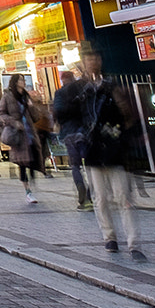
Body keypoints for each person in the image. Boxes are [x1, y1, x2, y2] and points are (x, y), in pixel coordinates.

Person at [79, 47, 145, 260]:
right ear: (83, 61)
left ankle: (134, 243)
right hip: (92, 151)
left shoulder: (112, 85)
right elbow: (67, 115)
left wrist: (121, 135)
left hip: (115, 151)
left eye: (96, 57)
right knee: (100, 199)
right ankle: (110, 237)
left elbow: (127, 114)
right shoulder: (80, 90)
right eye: (89, 58)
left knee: (124, 198)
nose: (93, 61)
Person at [52, 70, 94, 211]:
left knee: (75, 165)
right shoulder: (81, 90)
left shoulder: (60, 93)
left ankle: (81, 188)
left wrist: (60, 121)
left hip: (69, 132)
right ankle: (89, 195)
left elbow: (57, 111)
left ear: (63, 80)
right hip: (84, 131)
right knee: (90, 164)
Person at [0, 76, 43, 204]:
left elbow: (36, 117)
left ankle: (31, 182)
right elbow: (2, 113)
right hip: (18, 135)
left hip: (29, 132)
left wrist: (32, 106)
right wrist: (13, 122)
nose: (23, 82)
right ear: (15, 82)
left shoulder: (26, 96)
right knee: (22, 163)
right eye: (21, 80)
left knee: (33, 157)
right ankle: (28, 191)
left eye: (23, 80)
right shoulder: (7, 96)